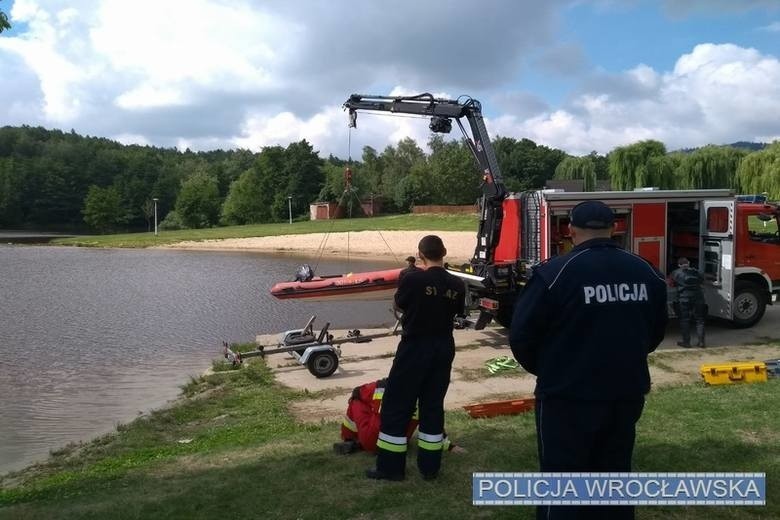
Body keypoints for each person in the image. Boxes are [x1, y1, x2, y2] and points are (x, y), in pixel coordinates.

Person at [510, 200, 668, 520]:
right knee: (614, 477)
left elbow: (522, 336)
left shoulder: (554, 273)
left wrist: (551, 369)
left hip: (567, 396)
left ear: (570, 230)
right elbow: (655, 331)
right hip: (625, 392)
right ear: (614, 228)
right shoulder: (645, 271)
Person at [366, 235, 466, 481]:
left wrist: (406, 277)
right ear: (444, 252)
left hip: (415, 347)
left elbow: (400, 305)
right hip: (443, 347)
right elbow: (456, 311)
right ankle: (430, 468)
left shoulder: (412, 278)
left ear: (420, 254)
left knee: (397, 405)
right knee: (432, 406)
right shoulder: (458, 284)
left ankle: (390, 468)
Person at [335, 378, 460, 455]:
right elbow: (434, 424)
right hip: (399, 444)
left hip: (371, 442)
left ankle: (349, 439)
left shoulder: (382, 387)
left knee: (356, 400)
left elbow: (358, 392)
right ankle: (356, 441)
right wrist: (449, 446)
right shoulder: (424, 398)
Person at [671, 257, 706, 348]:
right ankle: (701, 342)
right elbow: (702, 280)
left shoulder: (676, 273)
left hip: (684, 299)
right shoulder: (697, 272)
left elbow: (672, 283)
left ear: (679, 265)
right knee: (699, 320)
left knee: (685, 320)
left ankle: (686, 342)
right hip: (698, 298)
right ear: (689, 263)